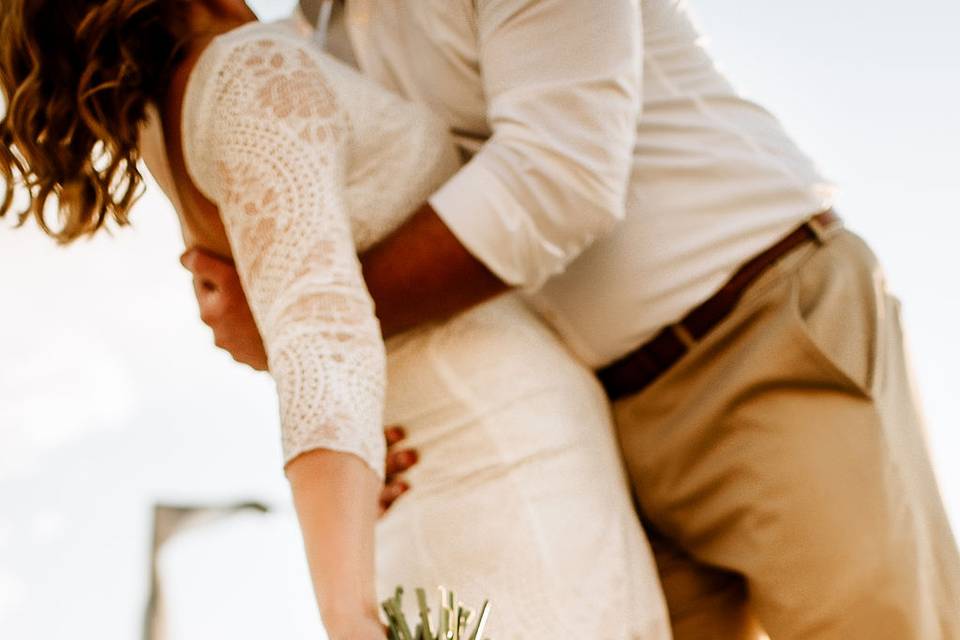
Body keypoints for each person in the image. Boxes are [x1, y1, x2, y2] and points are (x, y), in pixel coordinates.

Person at [185, 1, 960, 638]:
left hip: (753, 333)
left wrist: (310, 320)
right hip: (587, 430)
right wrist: (360, 428)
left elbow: (560, 172)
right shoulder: (307, 44)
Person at [0, 1, 672, 638]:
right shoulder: (249, 73)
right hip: (508, 481)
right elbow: (317, 333)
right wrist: (346, 616)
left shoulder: (179, 107)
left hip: (455, 485)